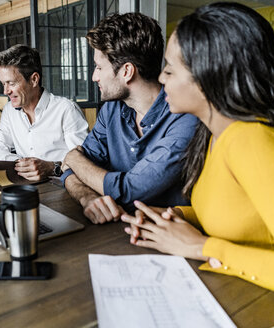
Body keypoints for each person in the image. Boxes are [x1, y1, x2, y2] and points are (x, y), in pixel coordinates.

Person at [121, 2, 274, 303]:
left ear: (210, 75)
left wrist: (201, 247)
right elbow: (243, 213)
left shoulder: (252, 141)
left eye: (170, 69)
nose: (161, 78)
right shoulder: (212, 134)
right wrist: (176, 218)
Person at [61, 13, 198, 224]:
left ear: (127, 71)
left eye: (99, 67)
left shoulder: (184, 118)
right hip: (118, 230)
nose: (94, 77)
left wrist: (73, 158)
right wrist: (87, 197)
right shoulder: (112, 110)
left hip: (169, 239)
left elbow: (129, 190)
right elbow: (71, 170)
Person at [0, 44, 89, 181]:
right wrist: (23, 164)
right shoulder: (9, 111)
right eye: (3, 84)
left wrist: (52, 167)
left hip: (64, 185)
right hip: (26, 185)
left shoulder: (66, 109)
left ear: (34, 79)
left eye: (11, 83)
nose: (6, 91)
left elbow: (84, 163)